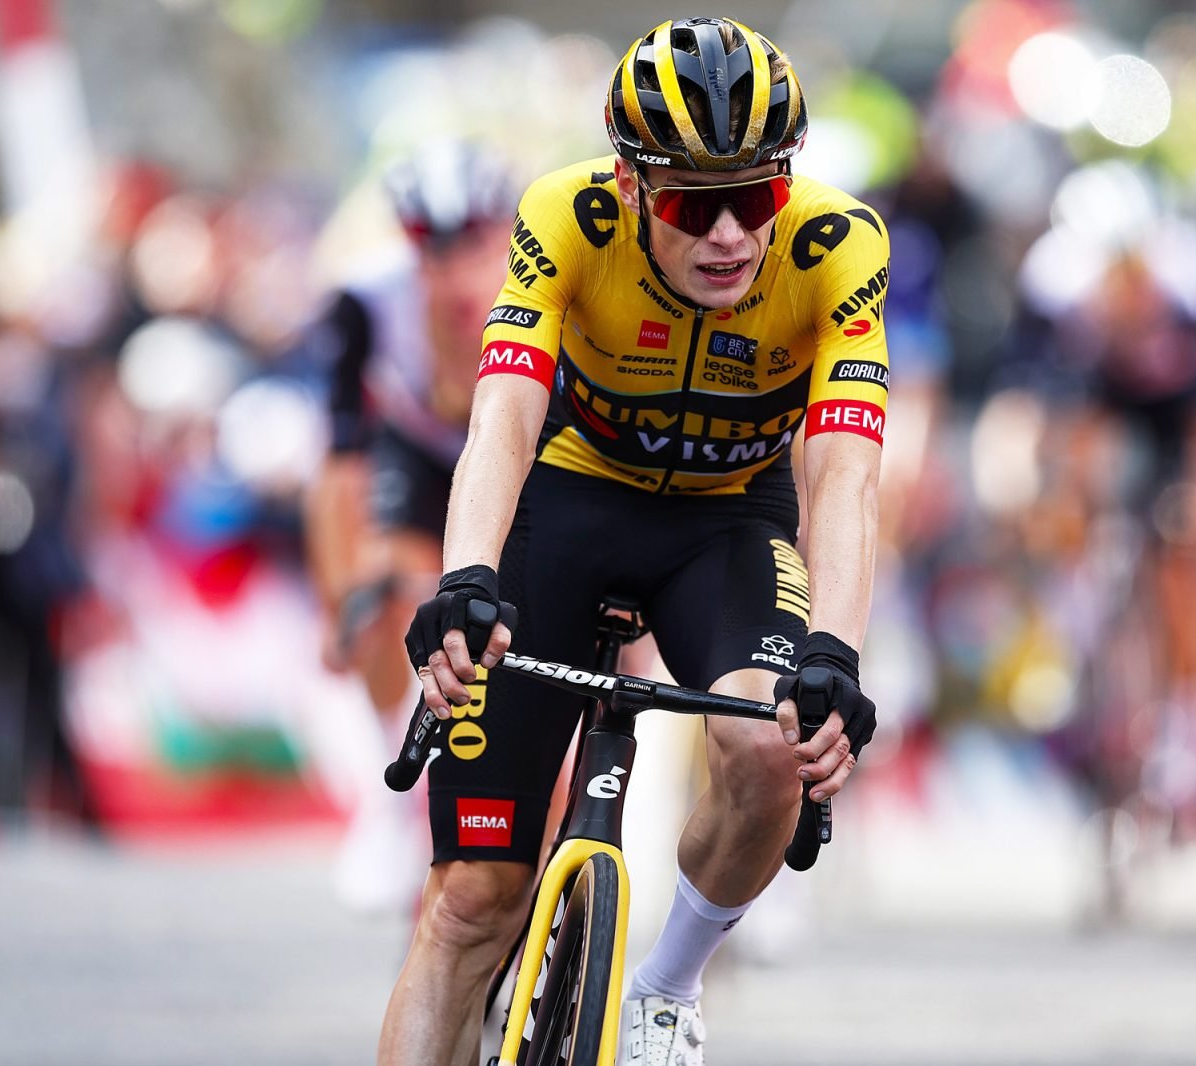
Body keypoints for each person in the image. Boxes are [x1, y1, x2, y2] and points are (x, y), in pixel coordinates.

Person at [377, 17, 887, 1066]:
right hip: (571, 500)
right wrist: (467, 574)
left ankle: (664, 990)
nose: (730, 236)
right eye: (696, 205)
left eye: (756, 197)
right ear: (630, 184)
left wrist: (835, 651)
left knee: (770, 743)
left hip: (728, 522)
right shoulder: (566, 216)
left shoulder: (841, 247)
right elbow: (504, 415)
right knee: (471, 902)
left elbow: (845, 471)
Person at [302, 138, 514, 910]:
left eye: (473, 245)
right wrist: (341, 603)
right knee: (379, 586)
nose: (453, 271)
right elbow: (338, 469)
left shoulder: (549, 284)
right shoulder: (366, 300)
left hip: (518, 448)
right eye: (431, 249)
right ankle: (388, 802)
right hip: (421, 457)